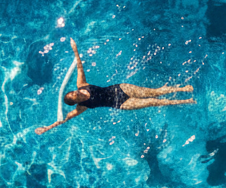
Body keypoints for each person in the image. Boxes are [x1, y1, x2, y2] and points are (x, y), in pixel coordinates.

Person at [35, 39, 194, 134]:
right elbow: (63, 119)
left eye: (73, 92)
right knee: (153, 102)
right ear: (75, 102)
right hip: (121, 103)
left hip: (120, 89)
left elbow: (79, 67)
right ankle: (184, 101)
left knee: (154, 92)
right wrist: (47, 128)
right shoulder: (82, 107)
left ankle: (181, 89)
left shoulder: (82, 85)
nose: (76, 93)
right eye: (74, 97)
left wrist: (75, 50)